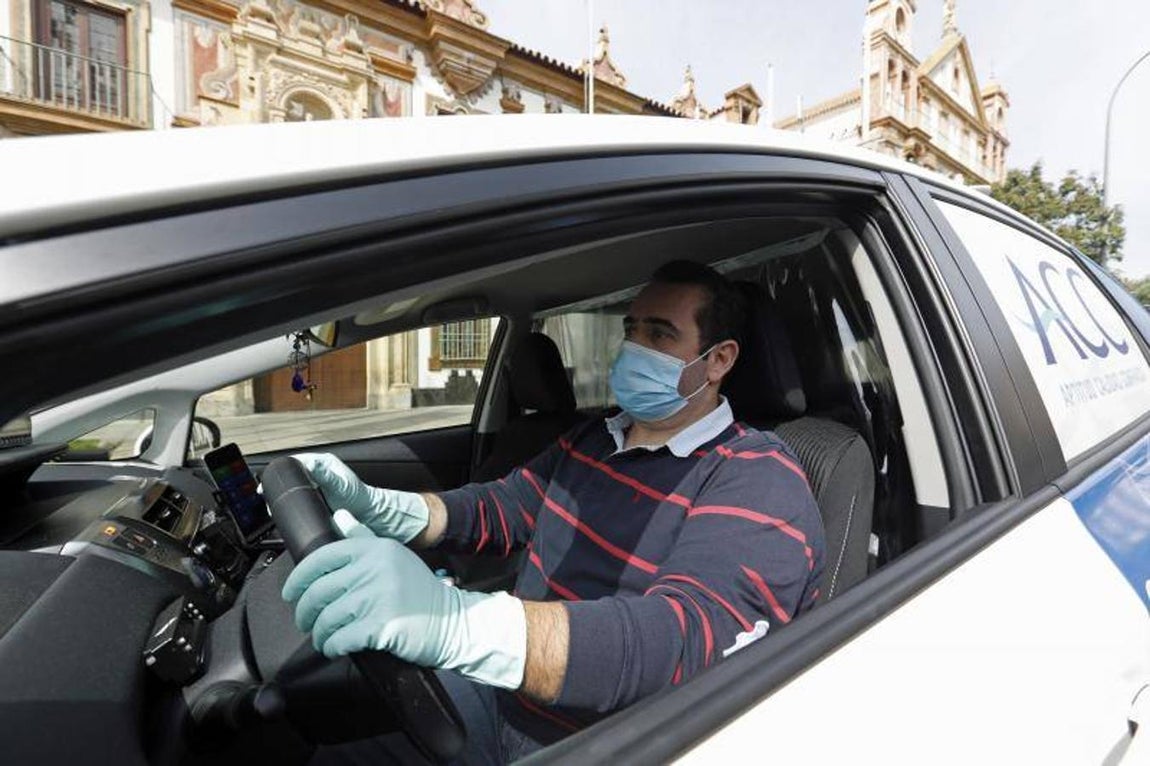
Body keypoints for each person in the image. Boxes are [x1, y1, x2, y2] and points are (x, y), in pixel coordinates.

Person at [284, 260, 827, 764]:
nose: (633, 347)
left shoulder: (756, 477)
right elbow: (499, 508)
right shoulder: (594, 437)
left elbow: (683, 640)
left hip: (600, 743)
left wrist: (459, 624)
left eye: (659, 334)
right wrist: (379, 505)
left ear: (720, 360)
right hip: (500, 693)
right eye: (630, 329)